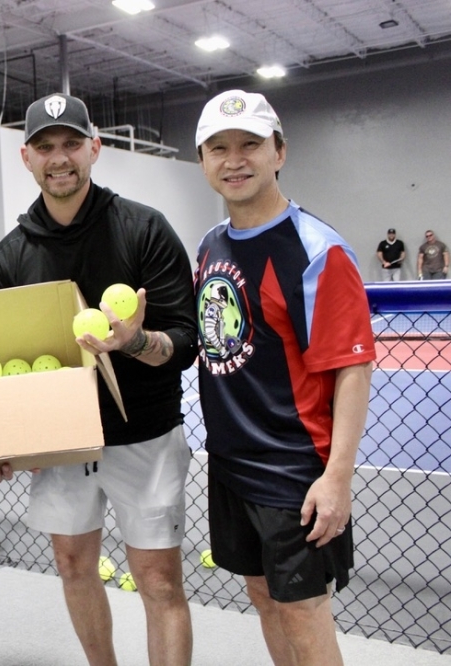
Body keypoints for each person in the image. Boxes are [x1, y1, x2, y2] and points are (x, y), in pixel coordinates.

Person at [0, 93, 197, 666]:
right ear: (27, 157)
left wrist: (132, 341)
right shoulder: (10, 256)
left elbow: (185, 344)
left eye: (72, 144)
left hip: (147, 437)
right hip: (62, 447)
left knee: (157, 582)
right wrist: (10, 439)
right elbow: (9, 367)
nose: (61, 158)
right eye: (46, 147)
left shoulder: (145, 230)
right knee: (74, 567)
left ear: (95, 148)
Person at [194, 89, 375, 665]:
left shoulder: (319, 251)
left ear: (280, 152)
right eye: (218, 147)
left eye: (250, 144)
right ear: (202, 161)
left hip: (294, 471)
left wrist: (337, 479)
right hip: (230, 465)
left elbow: (352, 367)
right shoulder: (209, 244)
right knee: (263, 596)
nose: (235, 159)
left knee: (303, 609)